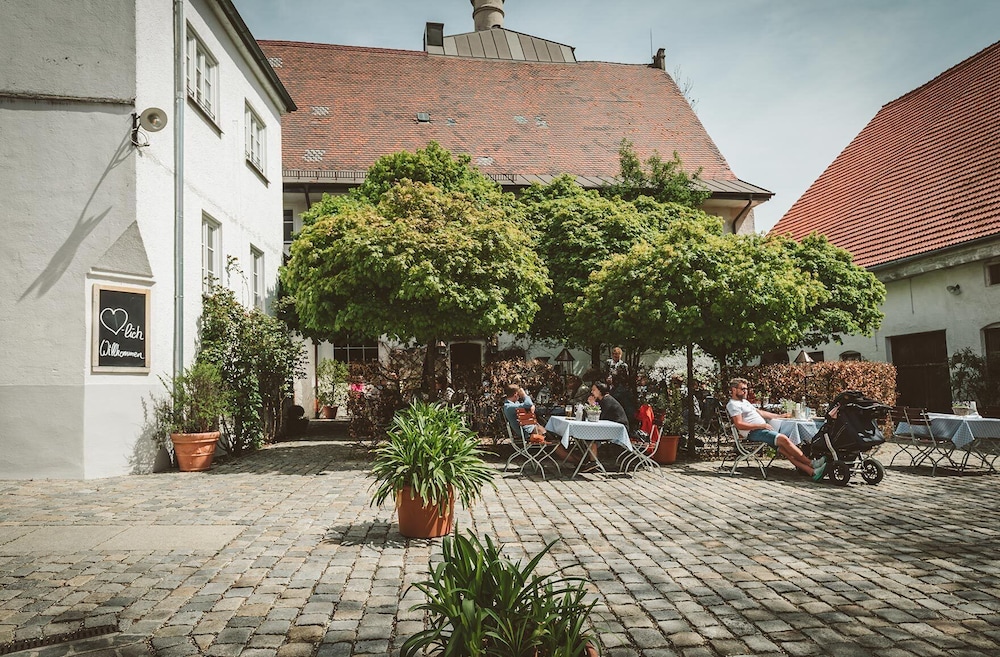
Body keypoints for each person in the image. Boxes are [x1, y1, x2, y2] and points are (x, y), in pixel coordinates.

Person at [726, 377, 826, 481]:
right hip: (754, 433)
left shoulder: (744, 402)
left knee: (785, 450)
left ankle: (813, 472)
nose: (745, 391)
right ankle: (812, 463)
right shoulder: (733, 405)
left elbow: (761, 413)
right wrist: (761, 426)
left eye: (746, 389)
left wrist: (780, 416)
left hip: (762, 431)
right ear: (734, 390)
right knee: (783, 439)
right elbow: (739, 424)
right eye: (743, 389)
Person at [502, 384, 577, 464]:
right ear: (516, 394)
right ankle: (576, 462)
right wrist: (525, 395)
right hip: (529, 434)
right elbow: (528, 404)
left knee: (557, 436)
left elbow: (528, 406)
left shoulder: (513, 404)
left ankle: (577, 460)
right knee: (556, 441)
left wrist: (530, 407)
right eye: (519, 394)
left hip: (532, 430)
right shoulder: (509, 406)